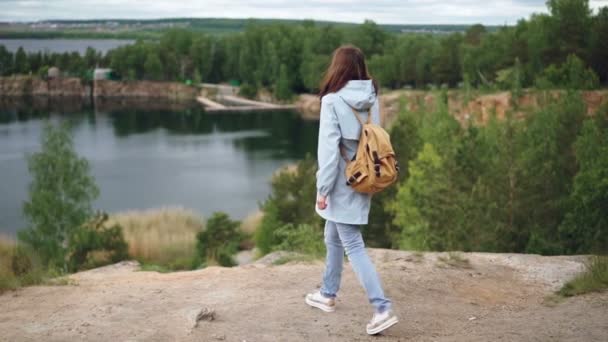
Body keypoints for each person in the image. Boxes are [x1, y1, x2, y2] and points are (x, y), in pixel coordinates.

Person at [305, 45, 398, 335]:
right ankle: (328, 294)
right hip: (365, 177)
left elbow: (329, 154)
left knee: (353, 244)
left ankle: (381, 308)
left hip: (341, 182)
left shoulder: (332, 101)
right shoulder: (372, 98)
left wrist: (322, 190)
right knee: (332, 234)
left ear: (338, 68)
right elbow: (374, 140)